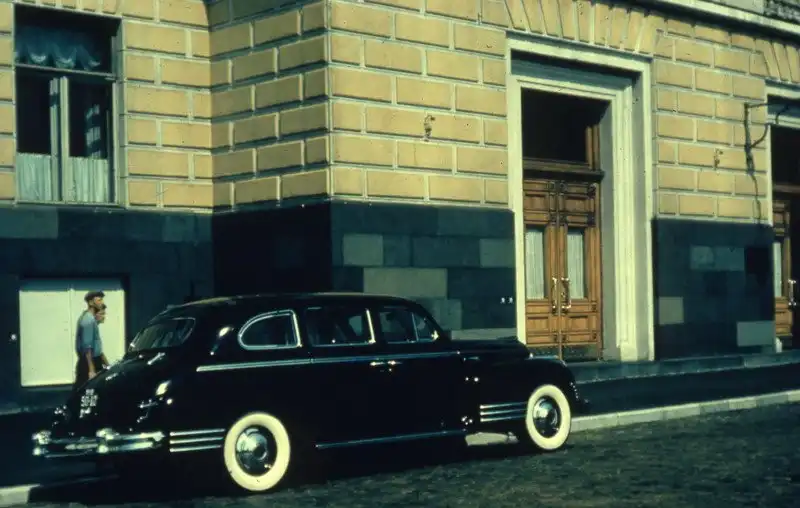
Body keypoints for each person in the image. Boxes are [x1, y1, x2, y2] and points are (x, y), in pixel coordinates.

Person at [73, 291, 109, 390]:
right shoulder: (88, 320)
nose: (102, 302)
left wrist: (107, 365)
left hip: (93, 361)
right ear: (91, 303)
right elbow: (87, 348)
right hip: (89, 363)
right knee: (83, 391)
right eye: (99, 300)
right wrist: (91, 370)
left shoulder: (92, 320)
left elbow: (97, 349)